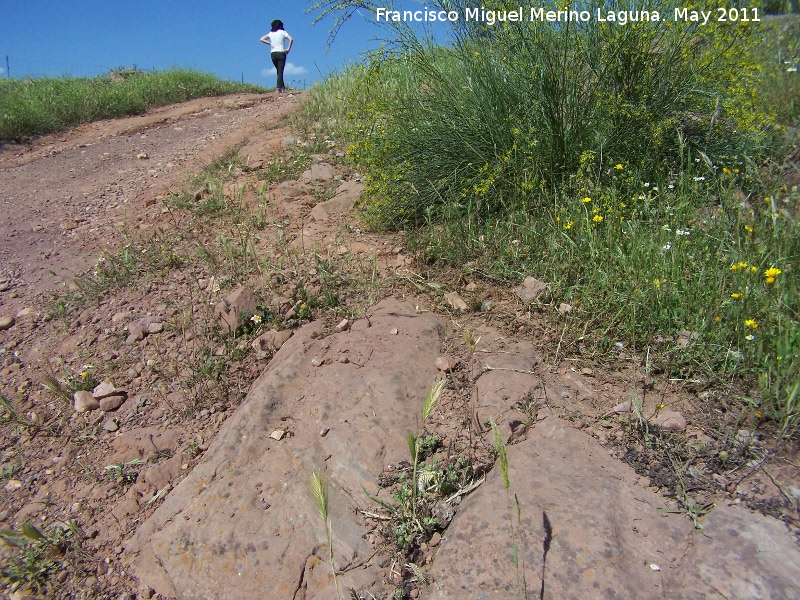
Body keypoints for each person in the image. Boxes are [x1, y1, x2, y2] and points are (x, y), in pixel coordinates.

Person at [260, 20, 293, 93]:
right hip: (281, 52)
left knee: (278, 70)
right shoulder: (283, 32)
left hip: (273, 53)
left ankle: (282, 87)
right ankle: (278, 88)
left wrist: (270, 43)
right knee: (280, 71)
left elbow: (261, 39)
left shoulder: (271, 33)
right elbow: (291, 39)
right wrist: (288, 49)